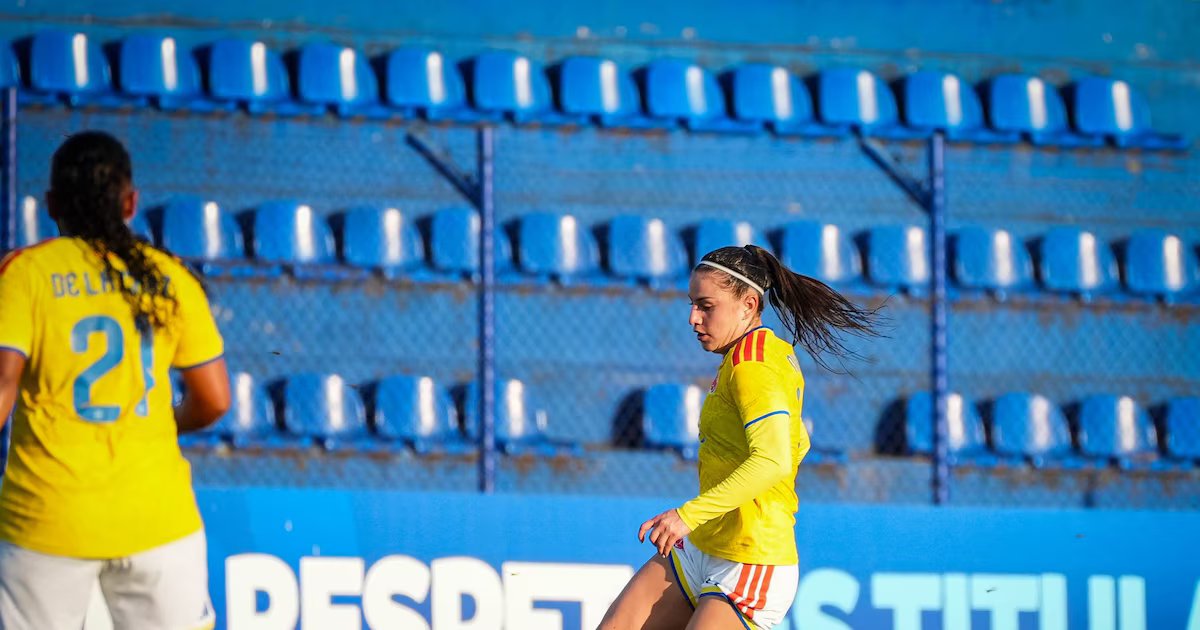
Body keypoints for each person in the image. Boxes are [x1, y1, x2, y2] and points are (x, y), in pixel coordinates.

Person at [0, 131, 230, 629]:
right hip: (157, 519)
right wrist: (160, 424)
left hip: (48, 518)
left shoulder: (25, 273)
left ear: (51, 205)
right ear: (131, 203)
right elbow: (213, 400)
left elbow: (2, 388)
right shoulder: (170, 276)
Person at [600, 244, 880, 630]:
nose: (693, 318)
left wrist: (687, 515)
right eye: (692, 304)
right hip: (704, 543)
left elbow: (773, 459)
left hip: (750, 559)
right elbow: (795, 443)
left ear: (748, 304)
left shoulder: (754, 364)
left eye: (706, 306)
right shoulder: (746, 356)